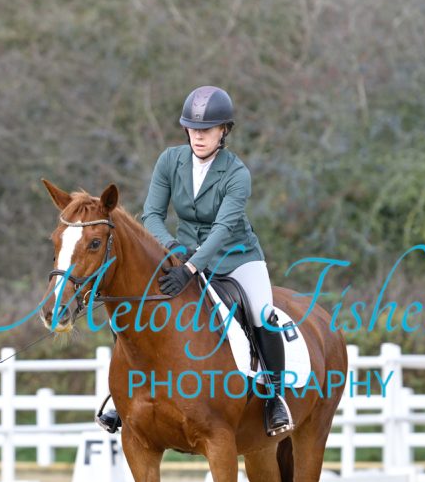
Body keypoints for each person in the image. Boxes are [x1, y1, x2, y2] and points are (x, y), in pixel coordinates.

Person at [97, 85, 291, 437]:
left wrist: (189, 268)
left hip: (236, 258)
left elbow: (222, 229)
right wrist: (173, 248)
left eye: (207, 130)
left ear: (224, 131)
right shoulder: (170, 161)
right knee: (133, 308)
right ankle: (123, 394)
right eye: (193, 129)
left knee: (263, 313)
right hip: (181, 252)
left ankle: (276, 397)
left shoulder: (236, 173)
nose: (198, 136)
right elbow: (152, 214)